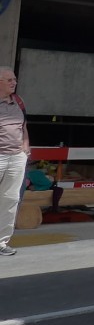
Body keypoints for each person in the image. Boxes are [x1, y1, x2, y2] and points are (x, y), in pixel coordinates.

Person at [0, 66, 30, 256]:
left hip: (16, 157)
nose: (14, 83)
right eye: (9, 80)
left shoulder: (18, 101)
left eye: (15, 79)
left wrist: (26, 145)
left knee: (10, 200)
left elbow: (23, 125)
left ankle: (1, 242)